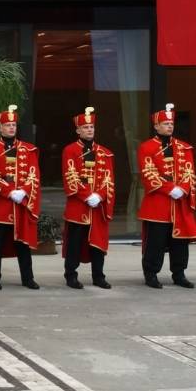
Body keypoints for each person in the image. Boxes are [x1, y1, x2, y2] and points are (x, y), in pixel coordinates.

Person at [137, 103, 196, 289]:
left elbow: (190, 172)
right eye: (165, 124)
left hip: (179, 203)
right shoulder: (146, 147)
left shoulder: (184, 147)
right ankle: (151, 274)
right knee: (155, 242)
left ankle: (179, 274)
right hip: (158, 203)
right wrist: (169, 188)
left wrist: (183, 189)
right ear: (156, 126)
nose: (170, 126)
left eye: (171, 124)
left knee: (180, 242)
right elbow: (148, 172)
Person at [0, 105, 41, 290]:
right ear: (0, 128)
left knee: (23, 245)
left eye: (13, 125)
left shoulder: (28, 149)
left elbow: (33, 174)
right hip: (1, 205)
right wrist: (9, 192)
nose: (11, 128)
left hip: (21, 205)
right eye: (7, 125)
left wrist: (23, 191)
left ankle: (28, 278)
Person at [62, 107, 115, 290]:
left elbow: (109, 178)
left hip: (98, 207)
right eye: (85, 127)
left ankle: (98, 276)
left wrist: (99, 195)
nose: (89, 130)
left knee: (98, 244)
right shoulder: (70, 150)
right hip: (79, 206)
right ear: (78, 130)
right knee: (74, 244)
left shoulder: (105, 152)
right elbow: (70, 176)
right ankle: (71, 275)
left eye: (91, 127)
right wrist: (87, 195)